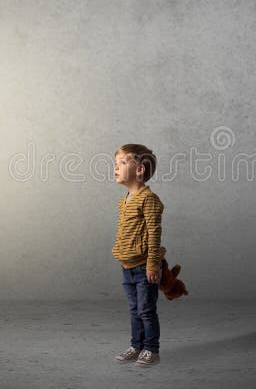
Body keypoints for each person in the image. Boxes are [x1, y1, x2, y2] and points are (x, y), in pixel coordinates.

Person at [111, 144, 165, 366]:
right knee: (134, 310)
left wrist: (153, 263)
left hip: (144, 267)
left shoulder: (148, 199)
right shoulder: (125, 200)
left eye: (122, 163)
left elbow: (154, 232)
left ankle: (151, 349)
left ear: (140, 170)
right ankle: (136, 345)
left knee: (146, 310)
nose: (116, 167)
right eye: (116, 163)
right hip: (127, 265)